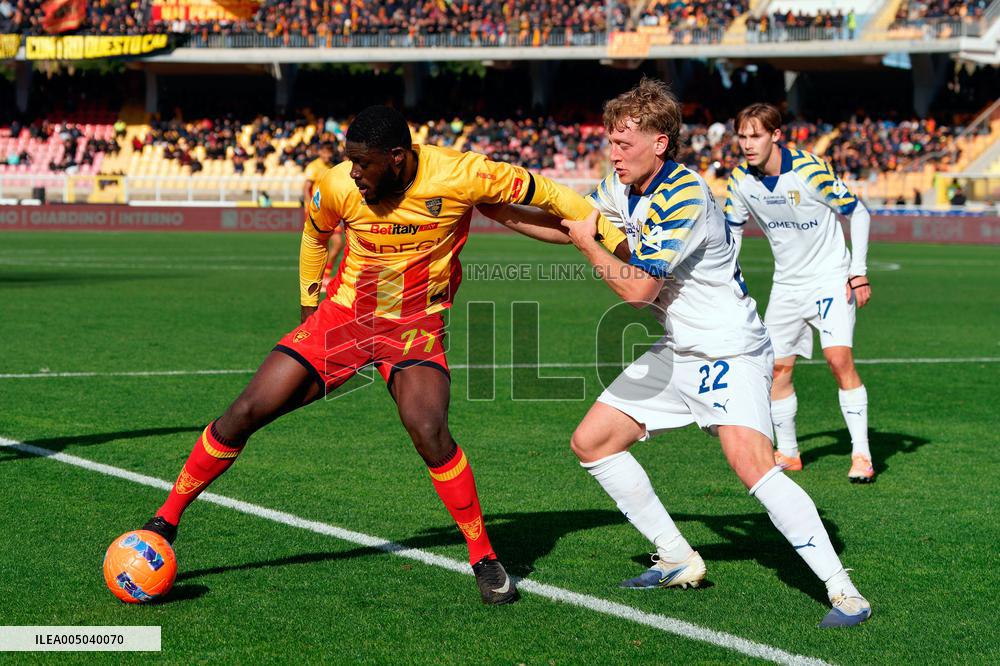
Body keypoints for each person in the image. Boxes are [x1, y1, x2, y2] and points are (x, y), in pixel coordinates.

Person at [138, 105, 624, 606]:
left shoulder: (462, 173)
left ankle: (484, 558)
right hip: (343, 321)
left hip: (413, 329)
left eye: (363, 163)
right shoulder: (338, 186)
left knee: (429, 431)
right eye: (350, 163)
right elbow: (314, 233)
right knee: (243, 413)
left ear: (396, 158)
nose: (354, 173)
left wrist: (608, 236)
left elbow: (550, 194)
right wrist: (310, 303)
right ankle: (165, 519)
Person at [490, 79, 871, 628]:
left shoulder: (686, 194)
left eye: (624, 143)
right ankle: (677, 557)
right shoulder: (621, 187)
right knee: (593, 441)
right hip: (680, 347)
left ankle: (845, 593)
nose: (613, 153)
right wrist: (488, 208)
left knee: (753, 467)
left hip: (729, 349)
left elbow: (638, 290)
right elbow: (567, 223)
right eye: (611, 142)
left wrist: (587, 243)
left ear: (660, 143)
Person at [724, 103, 874, 483]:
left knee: (838, 359)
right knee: (776, 369)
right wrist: (726, 275)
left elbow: (858, 212)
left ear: (776, 135)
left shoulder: (809, 170)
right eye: (741, 136)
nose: (746, 144)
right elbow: (732, 231)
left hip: (829, 278)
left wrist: (857, 273)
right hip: (787, 285)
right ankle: (788, 453)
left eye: (755, 135)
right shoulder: (740, 180)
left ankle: (862, 455)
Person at [303, 142, 344, 288]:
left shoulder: (332, 167)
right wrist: (309, 207)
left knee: (338, 243)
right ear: (320, 152)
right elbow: (306, 188)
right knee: (319, 245)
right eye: (325, 152)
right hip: (317, 211)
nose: (327, 155)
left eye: (329, 153)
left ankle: (325, 275)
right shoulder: (313, 167)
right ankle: (318, 279)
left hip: (331, 210)